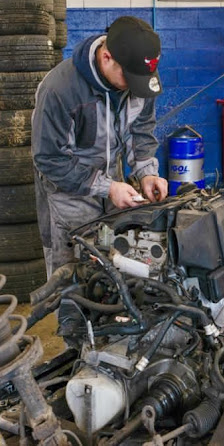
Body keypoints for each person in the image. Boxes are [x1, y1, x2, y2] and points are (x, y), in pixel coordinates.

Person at [32, 16, 168, 276]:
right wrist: (108, 187)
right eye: (129, 78)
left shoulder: (138, 74)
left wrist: (147, 172)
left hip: (114, 183)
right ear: (106, 57)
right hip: (68, 191)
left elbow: (141, 131)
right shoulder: (59, 90)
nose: (135, 86)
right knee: (74, 273)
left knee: (118, 263)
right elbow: (49, 159)